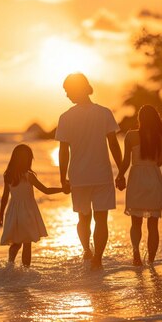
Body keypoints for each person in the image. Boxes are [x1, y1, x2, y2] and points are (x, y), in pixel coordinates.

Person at [55, 72, 122, 269]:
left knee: (83, 218)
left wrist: (63, 178)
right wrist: (121, 171)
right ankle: (97, 258)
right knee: (101, 219)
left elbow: (63, 150)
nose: (67, 95)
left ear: (77, 89)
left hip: (79, 176)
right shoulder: (104, 113)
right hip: (102, 175)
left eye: (68, 91)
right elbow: (114, 145)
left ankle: (87, 250)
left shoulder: (66, 117)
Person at [115, 104, 162, 266]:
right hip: (154, 180)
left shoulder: (130, 136)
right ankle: (151, 261)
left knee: (136, 222)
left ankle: (136, 255)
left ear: (140, 119)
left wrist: (119, 176)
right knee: (153, 225)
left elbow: (125, 162)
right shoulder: (159, 138)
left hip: (136, 180)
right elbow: (159, 163)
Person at [0, 144, 65, 267]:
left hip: (13, 212)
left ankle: (10, 265)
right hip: (27, 212)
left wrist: (1, 214)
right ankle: (26, 270)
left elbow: (5, 197)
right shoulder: (29, 175)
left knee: (16, 242)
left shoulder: (8, 175)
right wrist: (62, 189)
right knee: (27, 243)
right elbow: (46, 190)